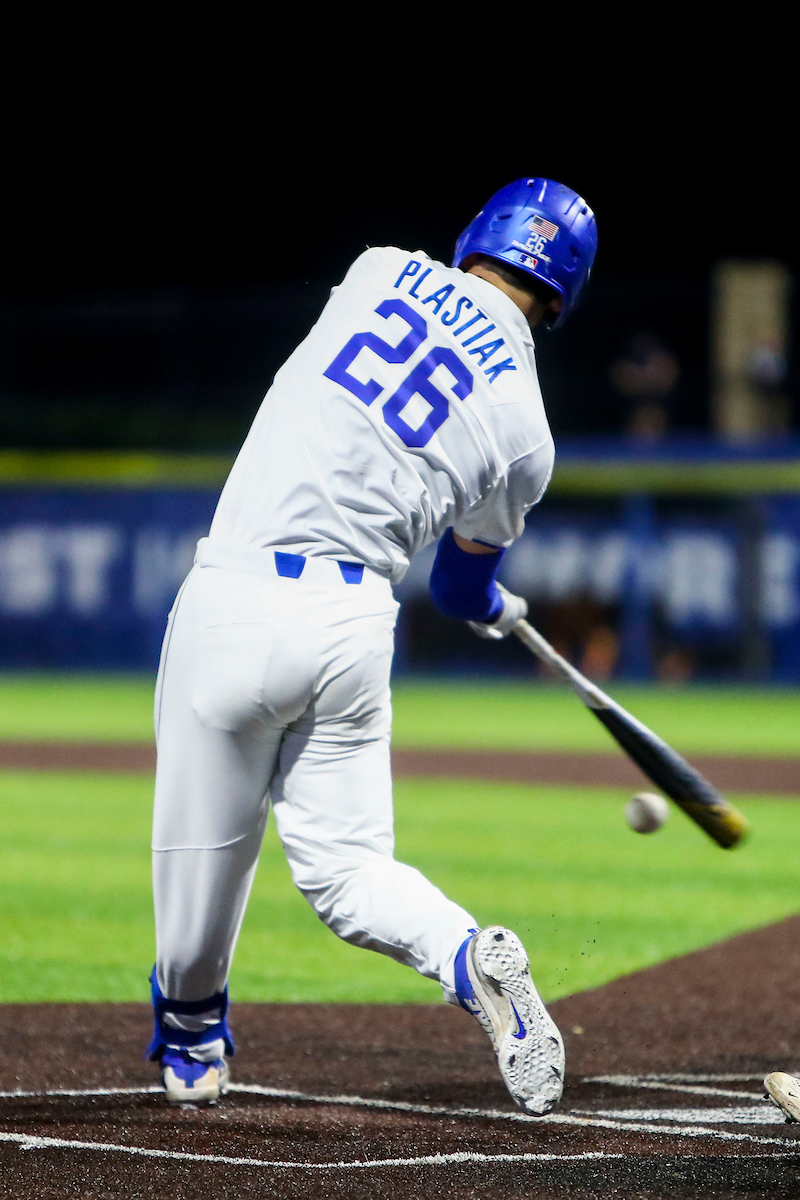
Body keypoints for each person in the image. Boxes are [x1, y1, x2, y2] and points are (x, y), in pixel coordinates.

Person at [145, 176, 598, 1116]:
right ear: (565, 294)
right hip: (351, 631)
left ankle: (193, 1047)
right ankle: (469, 957)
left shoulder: (378, 268)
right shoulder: (530, 436)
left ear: (481, 231)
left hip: (235, 596)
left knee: (197, 884)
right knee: (352, 872)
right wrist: (490, 598)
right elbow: (458, 584)